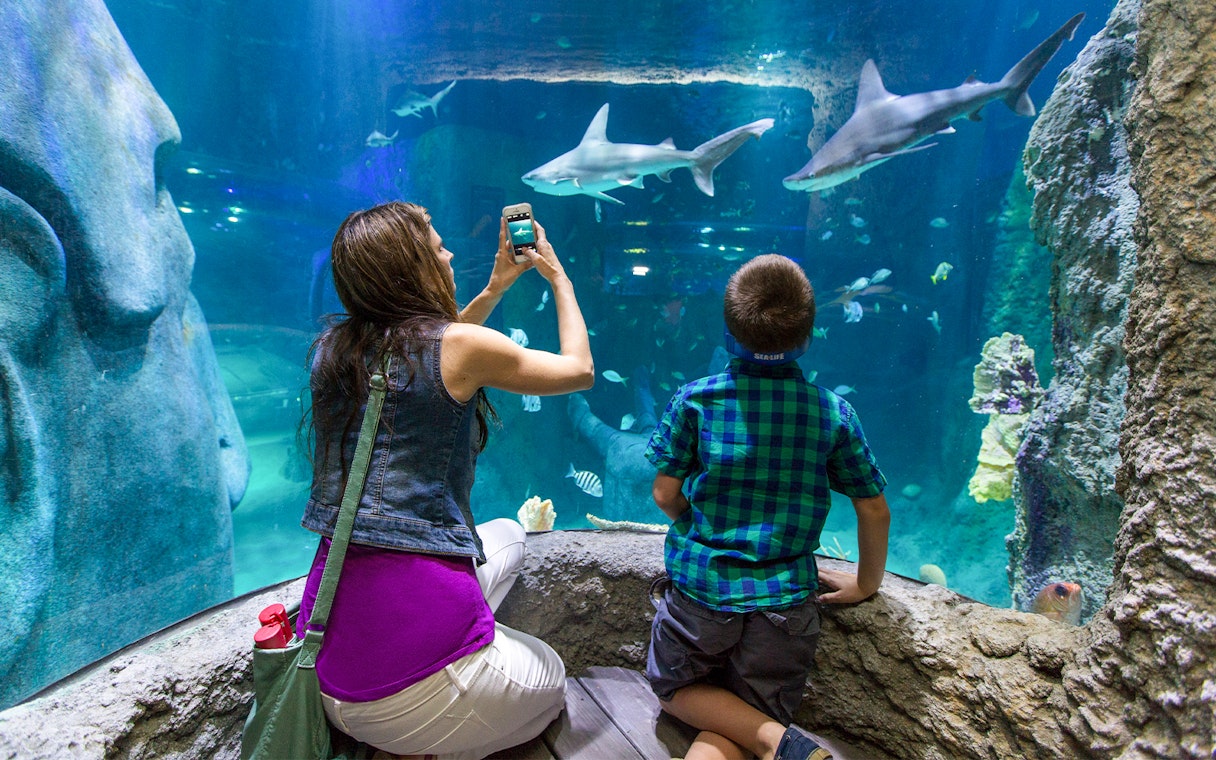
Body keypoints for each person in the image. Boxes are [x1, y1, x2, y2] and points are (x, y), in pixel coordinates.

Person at [296, 201, 593, 759]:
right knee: (551, 680)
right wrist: (559, 277)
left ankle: (457, 649)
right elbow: (579, 369)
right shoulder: (461, 348)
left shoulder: (334, 352)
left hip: (325, 665)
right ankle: (442, 722)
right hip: (405, 702)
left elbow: (427, 354)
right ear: (412, 267)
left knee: (507, 533)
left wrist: (496, 288)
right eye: (437, 246)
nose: (449, 252)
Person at [643, 254, 890, 760]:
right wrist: (866, 583)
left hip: (701, 595)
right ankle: (779, 739)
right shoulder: (833, 413)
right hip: (785, 606)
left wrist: (699, 526)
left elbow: (665, 494)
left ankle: (776, 741)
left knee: (675, 691)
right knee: (751, 707)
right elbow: (874, 508)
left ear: (729, 335)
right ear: (807, 337)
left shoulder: (695, 400)